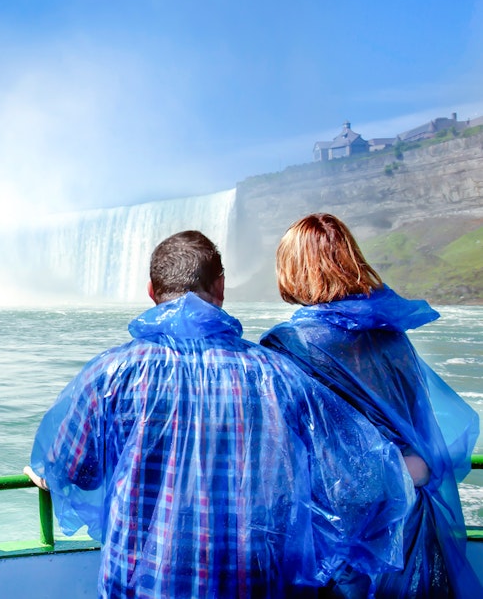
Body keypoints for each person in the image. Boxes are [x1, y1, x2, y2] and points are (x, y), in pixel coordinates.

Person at [26, 230, 414, 599]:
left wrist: (46, 473)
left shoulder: (110, 372)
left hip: (140, 587)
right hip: (252, 586)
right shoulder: (278, 375)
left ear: (151, 292)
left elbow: (71, 470)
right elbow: (355, 480)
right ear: (221, 287)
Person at [260, 213, 482, 597]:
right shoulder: (392, 339)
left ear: (293, 270)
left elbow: (277, 456)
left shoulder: (287, 344)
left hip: (333, 536)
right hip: (407, 522)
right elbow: (422, 434)